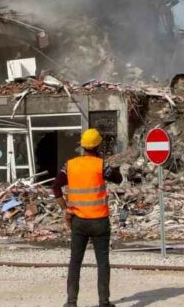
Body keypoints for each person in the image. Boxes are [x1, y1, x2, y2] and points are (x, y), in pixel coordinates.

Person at [52, 128, 123, 307]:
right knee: (102, 262)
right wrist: (114, 168)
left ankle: (71, 302)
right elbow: (118, 179)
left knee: (75, 261)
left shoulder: (70, 165)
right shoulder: (100, 165)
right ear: (98, 145)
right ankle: (104, 302)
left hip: (78, 221)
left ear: (82, 146)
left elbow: (55, 187)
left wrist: (65, 209)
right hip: (99, 221)